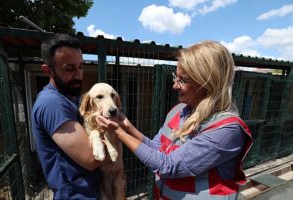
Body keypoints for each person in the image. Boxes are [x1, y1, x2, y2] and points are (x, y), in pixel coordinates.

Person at [97, 40, 253, 199]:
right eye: (175, 77)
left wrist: (118, 133)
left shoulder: (226, 130)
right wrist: (127, 127)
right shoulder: (178, 112)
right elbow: (157, 149)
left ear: (207, 83)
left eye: (183, 80)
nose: (174, 85)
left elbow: (168, 166)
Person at [31, 34, 101, 199]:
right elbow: (92, 158)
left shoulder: (71, 96)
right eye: (69, 69)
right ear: (48, 70)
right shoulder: (52, 103)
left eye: (81, 67)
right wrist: (116, 132)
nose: (78, 75)